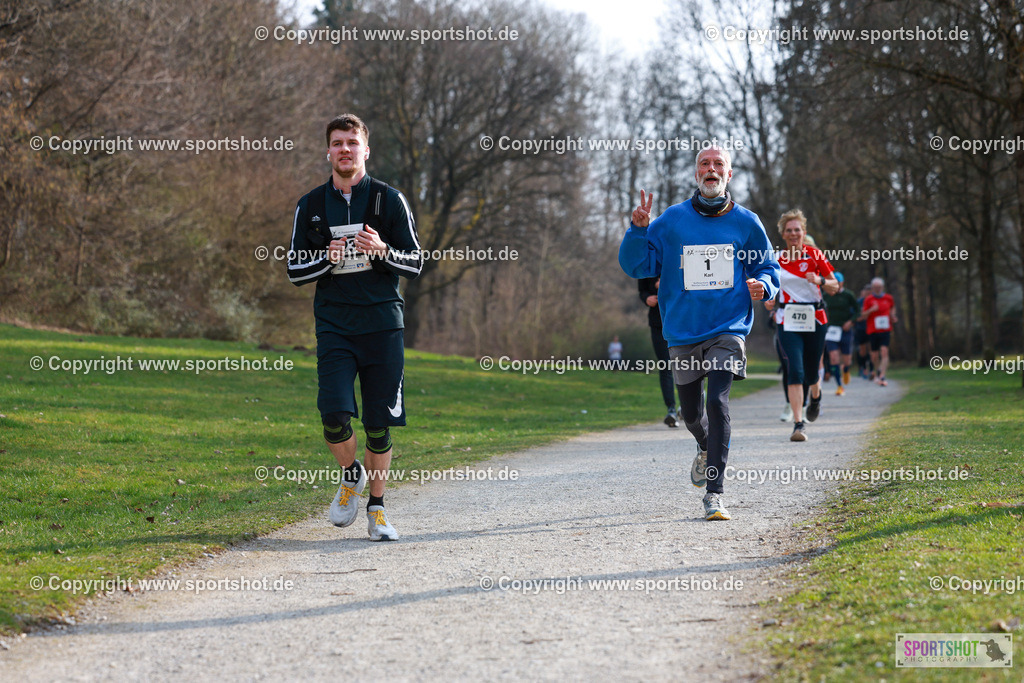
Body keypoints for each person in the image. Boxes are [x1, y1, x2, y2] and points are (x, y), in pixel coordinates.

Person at [619, 145, 780, 521]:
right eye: (704, 164)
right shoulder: (672, 220)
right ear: (696, 175)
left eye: (718, 164)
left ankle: (715, 493)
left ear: (728, 174)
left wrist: (765, 287)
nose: (711, 169)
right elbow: (636, 264)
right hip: (684, 331)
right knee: (692, 413)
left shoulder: (746, 222)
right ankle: (706, 444)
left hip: (728, 327)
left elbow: (769, 268)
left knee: (718, 402)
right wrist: (638, 231)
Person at [287, 113, 423, 541]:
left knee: (379, 423)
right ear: (328, 151)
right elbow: (293, 270)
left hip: (383, 325)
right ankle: (351, 474)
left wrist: (382, 250)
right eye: (338, 143)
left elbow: (416, 262)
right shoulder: (309, 206)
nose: (345, 149)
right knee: (333, 414)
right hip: (335, 327)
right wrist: (324, 258)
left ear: (366, 150)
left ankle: (377, 510)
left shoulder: (389, 200)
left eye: (352, 142)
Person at [765, 210, 838, 442]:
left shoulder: (815, 255)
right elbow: (771, 286)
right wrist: (769, 298)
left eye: (797, 230)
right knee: (794, 369)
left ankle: (816, 397)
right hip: (787, 318)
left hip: (815, 317)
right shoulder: (776, 259)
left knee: (810, 371)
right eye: (789, 230)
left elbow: (835, 286)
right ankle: (798, 424)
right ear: (783, 234)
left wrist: (821, 280)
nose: (794, 233)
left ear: (803, 232)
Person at [639, 277, 681, 427]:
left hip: (681, 320)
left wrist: (666, 284)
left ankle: (688, 405)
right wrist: (646, 298)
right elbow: (642, 290)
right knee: (665, 367)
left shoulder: (678, 255)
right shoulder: (647, 261)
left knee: (686, 364)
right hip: (658, 323)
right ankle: (671, 409)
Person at [822, 272, 859, 395]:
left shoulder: (848, 295)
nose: (836, 285)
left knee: (847, 360)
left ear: (842, 282)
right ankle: (839, 385)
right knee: (833, 357)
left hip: (845, 330)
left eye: (838, 282)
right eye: (834, 282)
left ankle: (846, 370)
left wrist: (851, 322)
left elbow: (858, 311)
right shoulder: (826, 295)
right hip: (831, 330)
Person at [860, 277, 897, 386]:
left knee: (884, 351)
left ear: (882, 287)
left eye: (879, 287)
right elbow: (863, 315)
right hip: (872, 330)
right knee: (874, 355)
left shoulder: (888, 298)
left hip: (885, 329)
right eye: (875, 287)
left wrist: (893, 316)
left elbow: (892, 308)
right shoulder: (868, 299)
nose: (877, 289)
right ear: (872, 288)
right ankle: (877, 371)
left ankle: (882, 374)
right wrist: (871, 310)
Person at [854, 284, 873, 379]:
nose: (868, 294)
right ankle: (862, 367)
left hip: (872, 328)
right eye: (867, 292)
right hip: (860, 328)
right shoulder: (859, 302)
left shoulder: (873, 301)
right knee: (862, 350)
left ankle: (872, 370)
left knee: (872, 349)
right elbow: (856, 316)